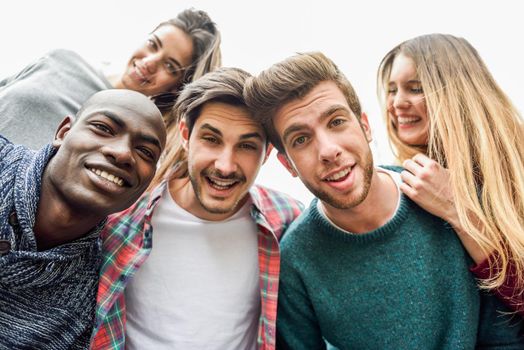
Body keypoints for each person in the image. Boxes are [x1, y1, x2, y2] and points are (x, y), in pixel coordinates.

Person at [244, 52, 523, 349]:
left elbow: (506, 337)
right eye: (301, 139)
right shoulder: (295, 262)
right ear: (288, 164)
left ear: (365, 126)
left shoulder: (445, 197)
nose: (328, 150)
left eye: (336, 122)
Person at [90, 67, 303, 350]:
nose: (225, 165)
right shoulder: (119, 220)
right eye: (211, 139)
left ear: (265, 154)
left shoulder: (287, 220)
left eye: (247, 146)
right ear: (186, 135)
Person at [0, 89, 166, 349]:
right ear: (63, 133)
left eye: (145, 152)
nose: (123, 154)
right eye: (103, 128)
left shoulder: (94, 302)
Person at [377, 33, 524, 315]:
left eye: (415, 88)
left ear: (457, 91)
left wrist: (456, 209)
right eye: (392, 90)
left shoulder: (515, 164)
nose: (397, 103)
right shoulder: (406, 182)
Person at [0, 8, 221, 149]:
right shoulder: (62, 59)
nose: (150, 61)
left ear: (176, 88)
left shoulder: (133, 138)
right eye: (153, 44)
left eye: (170, 66)